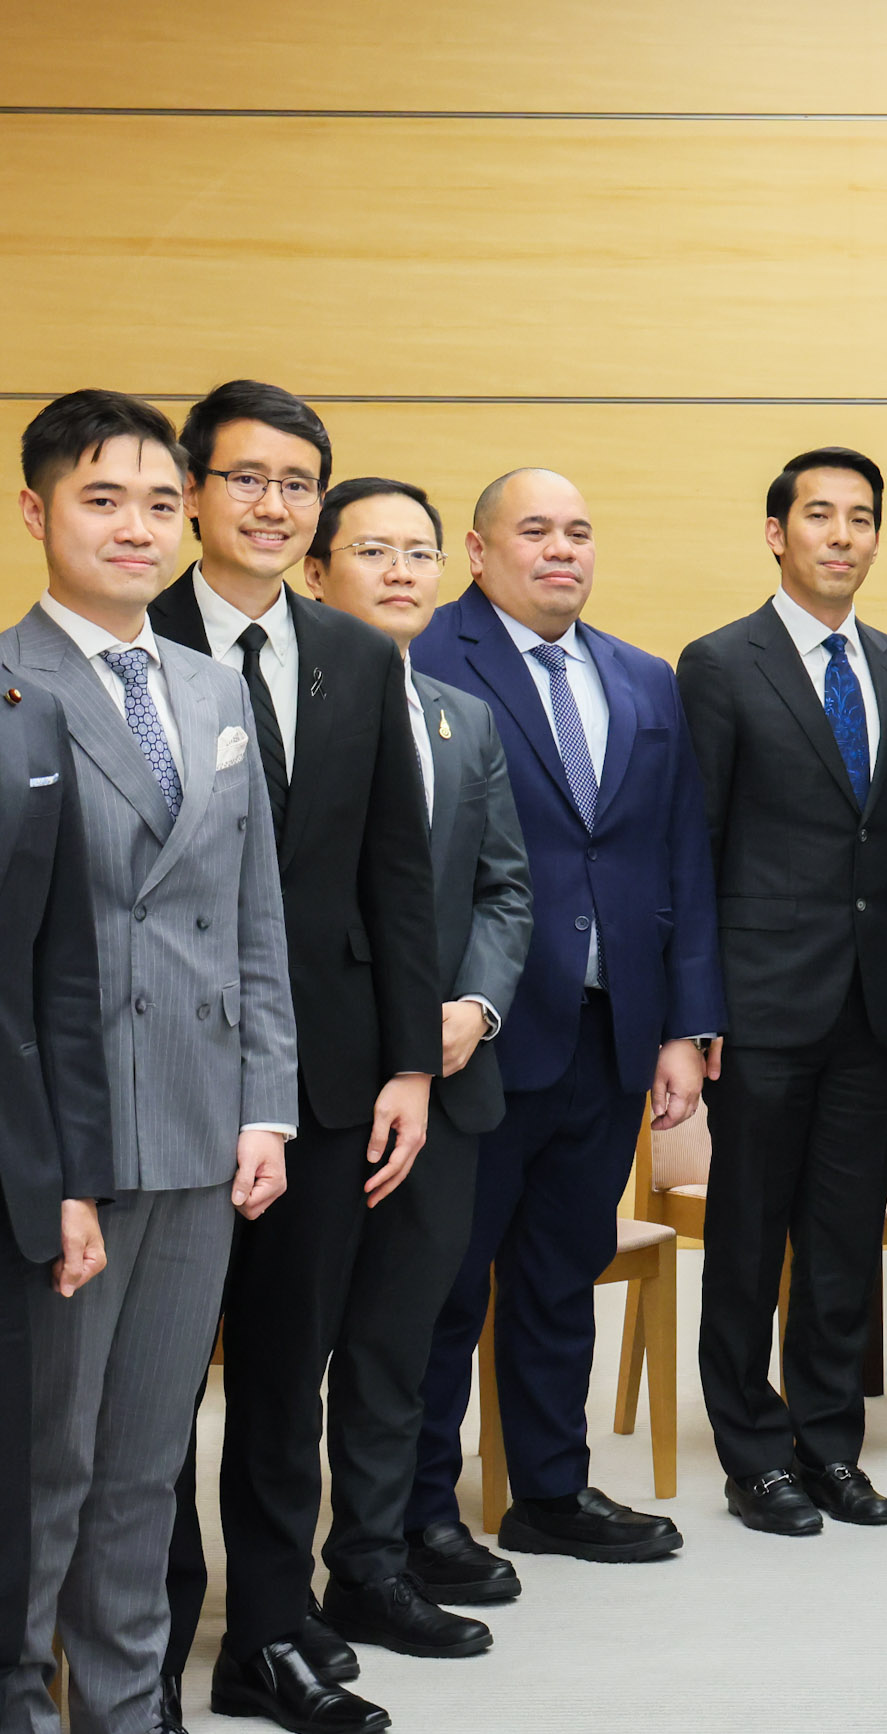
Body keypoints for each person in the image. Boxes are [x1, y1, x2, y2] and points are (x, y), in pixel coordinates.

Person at [0, 391, 298, 1734]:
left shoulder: (210, 685)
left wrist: (268, 1105)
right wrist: (48, 1165)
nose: (137, 527)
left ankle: (125, 1709)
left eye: (161, 503)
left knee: (144, 1466)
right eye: (102, 499)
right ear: (35, 512)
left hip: (203, 1129)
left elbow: (253, 914)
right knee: (41, 1471)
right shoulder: (11, 685)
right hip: (68, 1145)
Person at [147, 383, 443, 1734]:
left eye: (298, 483)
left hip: (324, 1077)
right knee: (151, 1389)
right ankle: (144, 1638)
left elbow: (397, 876)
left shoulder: (355, 656)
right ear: (193, 490)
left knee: (283, 1374)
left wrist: (408, 1065)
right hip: (159, 1072)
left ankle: (266, 1632)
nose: (273, 504)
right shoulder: (131, 637)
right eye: (246, 478)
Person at [405, 469, 725, 1581]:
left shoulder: (641, 677)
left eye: (578, 532)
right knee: (445, 1285)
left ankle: (548, 1489)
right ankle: (415, 1513)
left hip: (610, 1029)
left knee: (560, 1271)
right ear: (476, 551)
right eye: (534, 530)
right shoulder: (427, 656)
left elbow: (677, 855)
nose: (561, 550)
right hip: (475, 1034)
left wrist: (683, 1025)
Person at [678, 448, 887, 1536]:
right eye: (820, 515)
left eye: (862, 518)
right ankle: (752, 1455)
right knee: (748, 1237)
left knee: (844, 1237)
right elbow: (693, 846)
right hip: (757, 1001)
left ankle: (830, 1444)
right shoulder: (719, 662)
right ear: (775, 533)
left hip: (874, 998)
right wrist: (695, 1008)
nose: (842, 535)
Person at [300, 477, 532, 1659]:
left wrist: (474, 1009)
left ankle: (373, 1566)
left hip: (446, 1087)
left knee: (400, 1339)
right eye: (372, 551)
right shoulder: (280, 705)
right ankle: (268, 1594)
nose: (401, 572)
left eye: (419, 552)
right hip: (319, 1089)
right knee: (291, 1353)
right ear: (314, 572)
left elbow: (504, 888)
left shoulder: (461, 717)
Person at [0, 669, 113, 1685]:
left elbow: (61, 970)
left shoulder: (30, 712)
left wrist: (77, 1179)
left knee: (13, 1469)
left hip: (13, 1168)